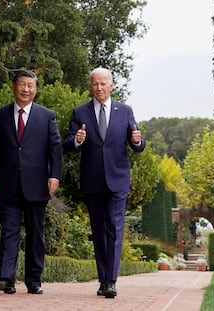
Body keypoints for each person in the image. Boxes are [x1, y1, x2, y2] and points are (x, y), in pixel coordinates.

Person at [63, 67, 145, 299]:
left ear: (111, 86)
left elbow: (136, 140)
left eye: (103, 84)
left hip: (118, 180)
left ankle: (111, 281)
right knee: (98, 231)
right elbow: (68, 142)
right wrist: (77, 141)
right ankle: (103, 279)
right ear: (91, 86)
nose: (99, 88)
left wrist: (138, 142)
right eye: (95, 84)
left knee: (115, 228)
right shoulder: (80, 111)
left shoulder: (125, 111)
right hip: (92, 180)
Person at [0, 70, 63, 295]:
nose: (26, 89)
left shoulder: (46, 116)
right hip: (7, 183)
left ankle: (34, 280)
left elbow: (55, 150)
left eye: (30, 85)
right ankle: (6, 278)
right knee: (9, 231)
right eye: (22, 85)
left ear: (35, 89)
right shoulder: (0, 116)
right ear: (14, 87)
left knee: (35, 234)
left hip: (37, 184)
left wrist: (55, 175)